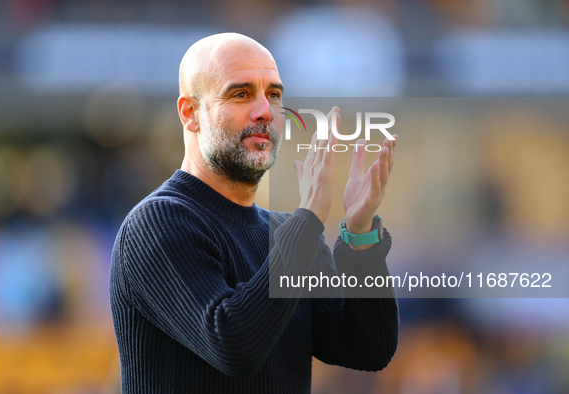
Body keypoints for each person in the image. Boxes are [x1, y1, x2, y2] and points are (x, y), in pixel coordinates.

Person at [109, 32, 399, 393]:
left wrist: (360, 235)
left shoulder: (286, 232)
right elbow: (234, 346)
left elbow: (368, 349)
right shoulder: (156, 223)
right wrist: (307, 219)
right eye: (241, 94)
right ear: (191, 113)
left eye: (273, 95)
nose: (265, 111)